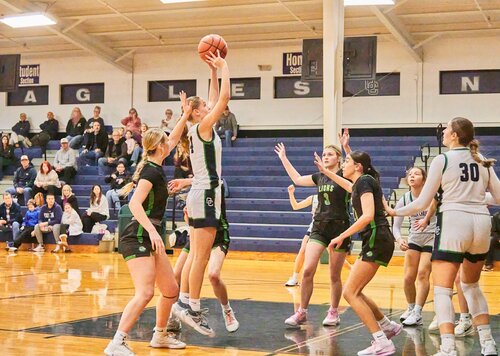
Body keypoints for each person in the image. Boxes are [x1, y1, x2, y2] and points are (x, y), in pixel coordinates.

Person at [390, 117, 499, 356]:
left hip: (454, 220)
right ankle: (488, 343)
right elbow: (498, 198)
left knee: (442, 288)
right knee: (471, 286)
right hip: (481, 223)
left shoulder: (443, 159)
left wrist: (394, 211)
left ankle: (448, 347)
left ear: (455, 136)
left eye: (447, 130)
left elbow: (422, 201)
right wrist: (475, 199)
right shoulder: (483, 162)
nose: (443, 133)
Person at [104, 108, 190, 354]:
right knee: (145, 292)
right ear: (159, 147)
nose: (170, 144)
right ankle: (116, 343)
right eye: (166, 143)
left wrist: (183, 116)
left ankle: (160, 336)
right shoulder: (151, 171)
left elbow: (172, 138)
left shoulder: (155, 165)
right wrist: (153, 232)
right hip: (138, 234)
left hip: (151, 233)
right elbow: (133, 204)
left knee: (171, 290)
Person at [315, 150, 402, 356]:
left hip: (376, 237)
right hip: (375, 239)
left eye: (346, 161)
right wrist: (324, 172)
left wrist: (340, 236)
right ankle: (387, 326)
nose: (343, 164)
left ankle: (381, 341)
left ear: (358, 167)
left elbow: (368, 215)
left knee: (349, 292)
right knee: (356, 290)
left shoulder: (364, 182)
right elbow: (345, 183)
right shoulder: (360, 183)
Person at [170, 50, 230, 337]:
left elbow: (215, 96)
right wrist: (225, 65)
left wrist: (213, 73)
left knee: (196, 254)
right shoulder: (203, 126)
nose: (210, 106)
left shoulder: (200, 127)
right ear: (196, 113)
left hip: (200, 192)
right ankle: (191, 307)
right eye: (204, 105)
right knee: (200, 258)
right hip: (205, 194)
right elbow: (224, 99)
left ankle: (184, 302)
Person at [275, 141, 351, 328]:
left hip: (339, 227)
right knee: (308, 269)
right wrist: (284, 159)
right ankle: (302, 312)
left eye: (330, 154)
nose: (325, 157)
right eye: (324, 154)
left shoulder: (344, 175)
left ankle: (333, 312)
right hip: (319, 227)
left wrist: (346, 147)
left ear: (339, 159)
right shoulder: (319, 176)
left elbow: (356, 165)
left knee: (334, 275)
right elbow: (298, 179)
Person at [169, 180, 239, 333]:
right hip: (199, 237)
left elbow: (217, 182)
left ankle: (227, 310)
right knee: (176, 274)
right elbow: (190, 223)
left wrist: (184, 182)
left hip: (218, 236)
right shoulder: (195, 192)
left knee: (213, 275)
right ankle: (174, 318)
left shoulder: (213, 181)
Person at [392, 167, 437, 327]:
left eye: (416, 174)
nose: (412, 176)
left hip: (432, 237)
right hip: (414, 238)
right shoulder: (404, 198)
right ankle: (411, 307)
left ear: (424, 179)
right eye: (410, 174)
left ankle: (418, 312)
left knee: (423, 274)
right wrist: (399, 239)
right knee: (408, 277)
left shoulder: (431, 196)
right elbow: (395, 226)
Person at [284, 185, 318, 287]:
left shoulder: (334, 197)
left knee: (333, 254)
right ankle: (294, 278)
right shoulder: (313, 198)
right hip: (314, 227)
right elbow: (296, 206)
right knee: (303, 250)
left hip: (328, 227)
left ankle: (352, 271)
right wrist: (291, 193)